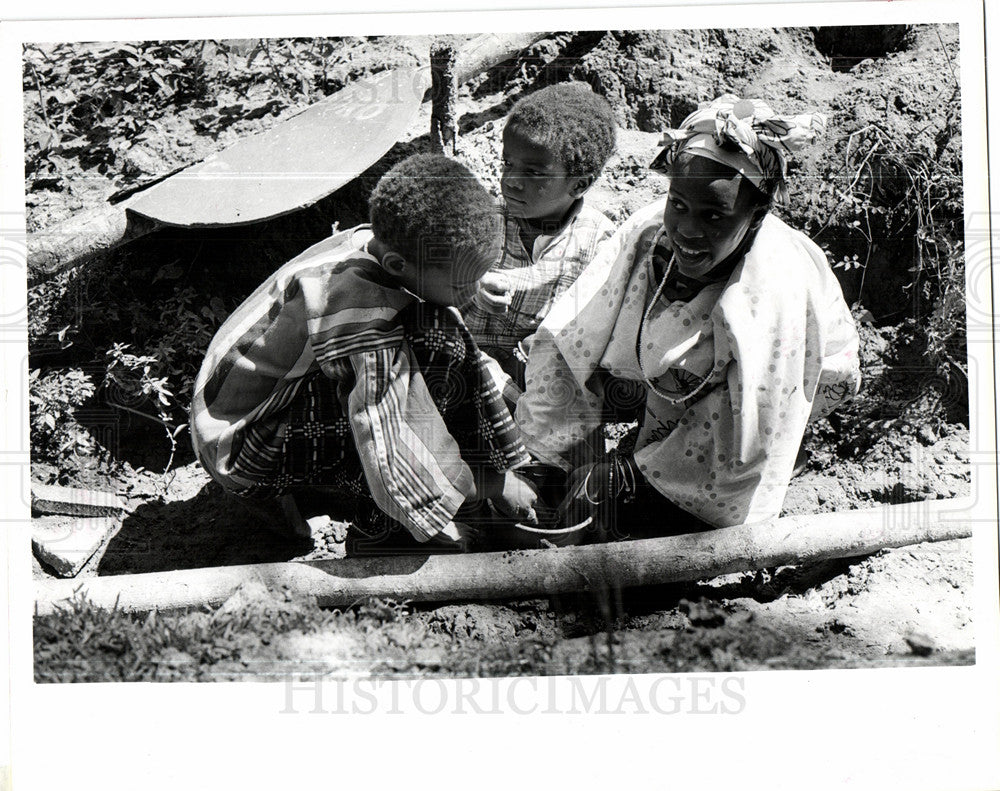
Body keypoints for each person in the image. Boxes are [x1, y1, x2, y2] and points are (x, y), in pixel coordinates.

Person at [515, 95, 862, 533]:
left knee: (655, 511)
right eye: (678, 204)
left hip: (778, 387)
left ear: (755, 217)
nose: (688, 229)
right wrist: (550, 457)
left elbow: (749, 431)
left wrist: (626, 477)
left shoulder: (775, 287)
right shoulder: (647, 237)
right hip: (674, 377)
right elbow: (570, 339)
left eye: (715, 215)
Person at [190, 154, 536, 549]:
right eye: (464, 285)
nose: (472, 294)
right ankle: (384, 527)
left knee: (434, 332)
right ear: (396, 263)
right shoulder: (362, 313)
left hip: (243, 409)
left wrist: (466, 282)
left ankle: (334, 492)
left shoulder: (379, 243)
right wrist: (487, 486)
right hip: (237, 448)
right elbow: (380, 427)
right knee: (424, 351)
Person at [462, 83, 617, 388]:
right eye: (508, 163)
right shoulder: (480, 220)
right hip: (469, 358)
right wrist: (471, 285)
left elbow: (600, 322)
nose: (511, 181)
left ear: (579, 185)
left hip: (539, 373)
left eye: (533, 173)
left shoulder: (598, 242)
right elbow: (434, 280)